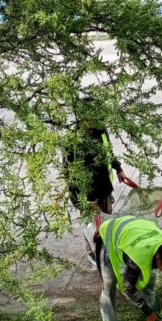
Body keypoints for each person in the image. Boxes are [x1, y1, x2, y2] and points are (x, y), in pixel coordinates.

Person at [97, 215, 162, 321]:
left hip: (136, 229)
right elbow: (128, 287)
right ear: (158, 258)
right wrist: (148, 312)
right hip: (109, 234)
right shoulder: (137, 259)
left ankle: (150, 315)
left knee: (150, 280)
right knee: (109, 283)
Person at [65, 98, 128, 268]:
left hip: (104, 188)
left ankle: (108, 251)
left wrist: (118, 168)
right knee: (91, 226)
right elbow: (70, 173)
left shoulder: (100, 130)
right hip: (87, 194)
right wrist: (84, 200)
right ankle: (93, 254)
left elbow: (107, 151)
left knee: (106, 222)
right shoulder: (73, 140)